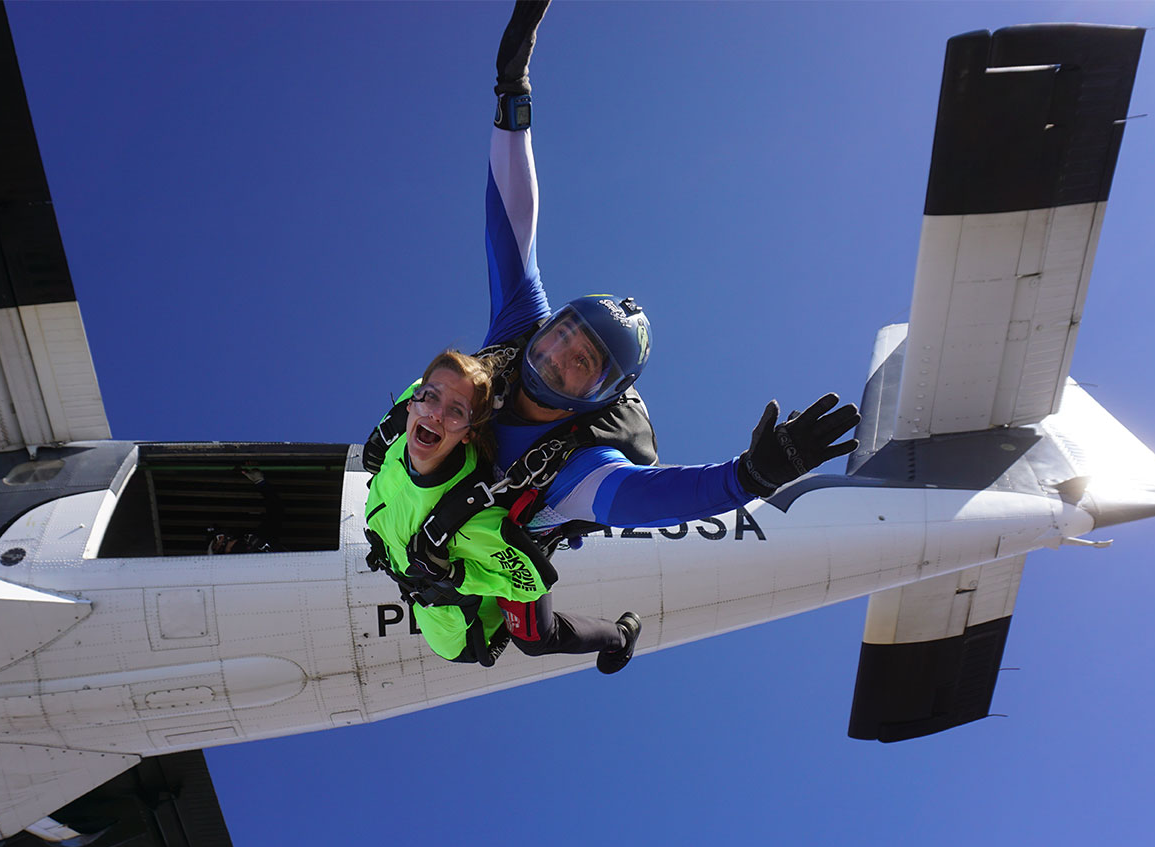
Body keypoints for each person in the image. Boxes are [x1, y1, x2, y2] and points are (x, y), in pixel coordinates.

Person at [477, 1, 862, 559]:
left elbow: (657, 497)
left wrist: (751, 477)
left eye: (582, 363)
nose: (557, 357)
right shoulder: (518, 328)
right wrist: (513, 91)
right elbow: (511, 222)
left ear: (598, 399)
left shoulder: (579, 472)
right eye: (563, 335)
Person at [365, 350, 641, 673]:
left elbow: (531, 582)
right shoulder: (408, 419)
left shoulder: (476, 523)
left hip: (465, 635)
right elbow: (442, 386)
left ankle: (620, 637)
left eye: (455, 411)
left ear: (468, 431)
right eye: (428, 398)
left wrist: (458, 575)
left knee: (535, 638)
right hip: (429, 606)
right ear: (412, 400)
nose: (435, 414)